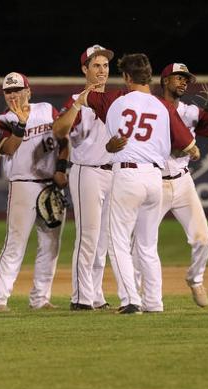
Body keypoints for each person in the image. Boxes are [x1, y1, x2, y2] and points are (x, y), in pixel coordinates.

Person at [75, 53, 200, 314]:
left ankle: (131, 299)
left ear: (127, 77)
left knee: (118, 242)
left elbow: (85, 96)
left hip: (127, 176)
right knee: (147, 245)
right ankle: (154, 302)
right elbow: (190, 147)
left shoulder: (115, 99)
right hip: (156, 178)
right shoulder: (163, 106)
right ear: (150, 76)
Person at [132, 63, 208, 308]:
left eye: (186, 79)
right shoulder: (151, 108)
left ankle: (195, 279)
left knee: (203, 239)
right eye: (178, 78)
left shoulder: (191, 112)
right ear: (165, 80)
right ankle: (133, 297)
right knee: (141, 244)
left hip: (183, 181)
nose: (183, 82)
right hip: (155, 182)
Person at [0, 72, 69, 312]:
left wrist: (62, 169)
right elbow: (8, 148)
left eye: (17, 90)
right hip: (22, 184)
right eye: (8, 91)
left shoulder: (46, 109)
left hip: (50, 184)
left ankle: (40, 298)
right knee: (15, 244)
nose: (13, 95)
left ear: (28, 91)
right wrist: (21, 125)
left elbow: (63, 141)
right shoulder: (2, 119)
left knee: (51, 244)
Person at [52, 44, 116, 311]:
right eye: (96, 65)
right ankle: (80, 296)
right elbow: (59, 130)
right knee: (88, 236)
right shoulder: (77, 99)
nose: (102, 70)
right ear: (84, 69)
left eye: (105, 65)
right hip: (86, 171)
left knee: (103, 240)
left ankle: (96, 294)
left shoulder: (114, 100)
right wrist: (78, 103)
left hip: (113, 173)